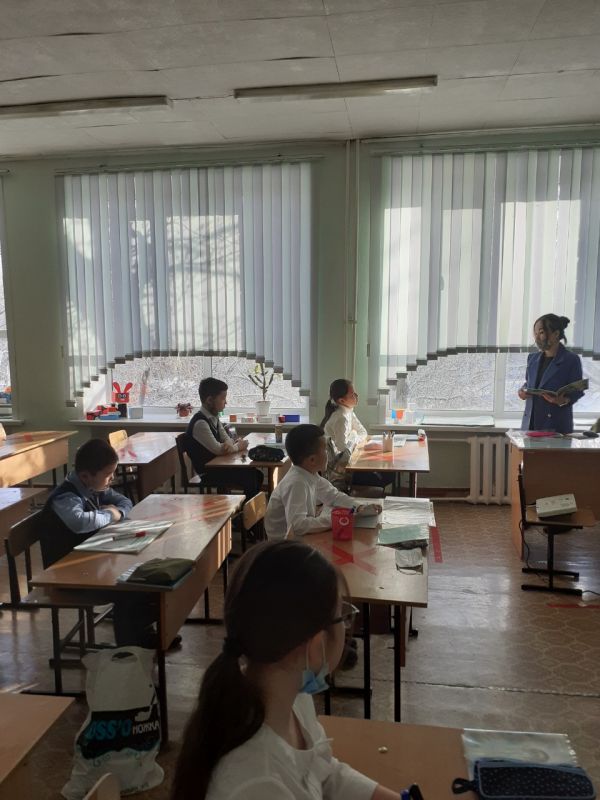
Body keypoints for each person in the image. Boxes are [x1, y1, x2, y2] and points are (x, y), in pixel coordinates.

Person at [170, 540, 400, 800]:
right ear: (315, 645)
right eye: (342, 616)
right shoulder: (257, 783)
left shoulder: (290, 696)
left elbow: (323, 773)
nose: (346, 628)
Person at [41, 438, 172, 649]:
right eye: (108, 475)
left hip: (89, 561)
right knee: (129, 588)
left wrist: (117, 511)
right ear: (86, 476)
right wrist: (111, 514)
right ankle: (128, 648)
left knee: (146, 579)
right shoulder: (65, 497)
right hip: (66, 574)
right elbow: (80, 523)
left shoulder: (94, 486)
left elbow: (125, 501)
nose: (112, 479)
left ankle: (146, 636)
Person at [265, 423, 381, 541]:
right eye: (325, 450)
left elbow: (333, 496)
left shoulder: (310, 474)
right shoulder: (296, 483)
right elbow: (299, 526)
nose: (328, 454)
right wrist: (334, 519)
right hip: (283, 547)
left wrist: (359, 507)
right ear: (312, 460)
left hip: (299, 540)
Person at [185, 377, 263, 497]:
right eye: (223, 398)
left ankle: (247, 507)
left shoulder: (214, 418)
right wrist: (238, 446)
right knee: (251, 477)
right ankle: (245, 508)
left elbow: (226, 438)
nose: (226, 402)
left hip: (218, 466)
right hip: (207, 472)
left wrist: (230, 444)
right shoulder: (200, 423)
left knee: (256, 475)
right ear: (210, 400)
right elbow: (218, 449)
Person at [321, 379, 392, 491]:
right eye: (352, 394)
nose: (356, 396)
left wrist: (353, 437)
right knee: (387, 475)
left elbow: (363, 432)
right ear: (342, 400)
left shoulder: (348, 411)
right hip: (341, 472)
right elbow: (343, 450)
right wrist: (354, 435)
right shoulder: (341, 418)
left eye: (355, 392)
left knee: (387, 472)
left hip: (348, 464)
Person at [519, 314, 584, 435]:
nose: (537, 338)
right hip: (530, 424)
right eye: (535, 333)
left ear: (556, 334)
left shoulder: (571, 359)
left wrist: (563, 400)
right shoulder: (532, 358)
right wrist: (522, 391)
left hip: (555, 425)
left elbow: (577, 391)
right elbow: (529, 383)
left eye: (541, 332)